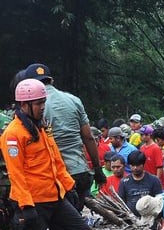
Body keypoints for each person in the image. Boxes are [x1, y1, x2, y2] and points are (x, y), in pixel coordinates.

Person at [3, 78, 101, 230]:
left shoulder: (41, 128)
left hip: (55, 196)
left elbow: (56, 161)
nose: (42, 107)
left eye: (43, 103)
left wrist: (69, 186)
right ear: (24, 105)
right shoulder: (13, 134)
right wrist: (26, 205)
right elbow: (16, 173)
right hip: (33, 201)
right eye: (38, 104)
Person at [23, 63, 105, 209]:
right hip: (79, 171)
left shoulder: (32, 107)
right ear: (52, 81)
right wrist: (98, 169)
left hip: (53, 177)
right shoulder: (73, 100)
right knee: (73, 222)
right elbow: (88, 137)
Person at [119, 150, 164, 216]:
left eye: (138, 165)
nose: (135, 168)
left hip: (150, 217)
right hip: (131, 219)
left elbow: (159, 201)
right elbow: (121, 202)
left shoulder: (154, 180)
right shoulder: (124, 182)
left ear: (143, 164)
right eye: (132, 165)